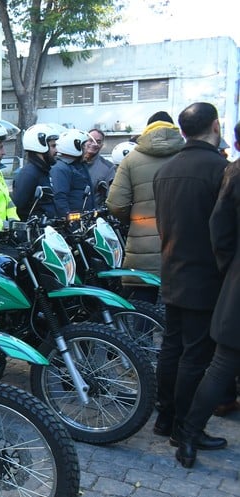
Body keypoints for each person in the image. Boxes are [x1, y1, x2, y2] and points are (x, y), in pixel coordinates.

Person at [152, 101, 228, 447]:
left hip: (173, 268)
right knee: (195, 355)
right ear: (215, 126)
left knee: (173, 348)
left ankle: (165, 418)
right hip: (206, 276)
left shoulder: (166, 169)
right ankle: (183, 427)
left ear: (183, 131)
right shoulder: (220, 169)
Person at [174, 120, 240, 468]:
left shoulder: (233, 172)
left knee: (219, 365)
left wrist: (230, 269)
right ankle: (187, 435)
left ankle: (187, 437)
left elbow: (221, 229)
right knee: (218, 365)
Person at [106, 117, 184, 303]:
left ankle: (146, 332)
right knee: (181, 302)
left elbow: (116, 204)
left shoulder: (131, 159)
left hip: (143, 241)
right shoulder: (189, 157)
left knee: (144, 300)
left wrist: (135, 221)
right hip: (183, 241)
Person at [11, 123, 60, 219]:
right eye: (53, 146)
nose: (56, 150)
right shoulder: (28, 174)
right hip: (35, 232)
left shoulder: (44, 171)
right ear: (40, 147)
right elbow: (18, 208)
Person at [50, 129, 95, 217]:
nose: (86, 150)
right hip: (73, 225)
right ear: (73, 147)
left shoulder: (80, 165)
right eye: (83, 146)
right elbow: (60, 198)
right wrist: (70, 222)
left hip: (84, 220)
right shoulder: (60, 169)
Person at [82, 128, 115, 204]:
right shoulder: (73, 163)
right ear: (84, 142)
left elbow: (110, 197)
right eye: (90, 140)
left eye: (98, 141)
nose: (94, 144)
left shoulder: (108, 168)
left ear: (102, 145)